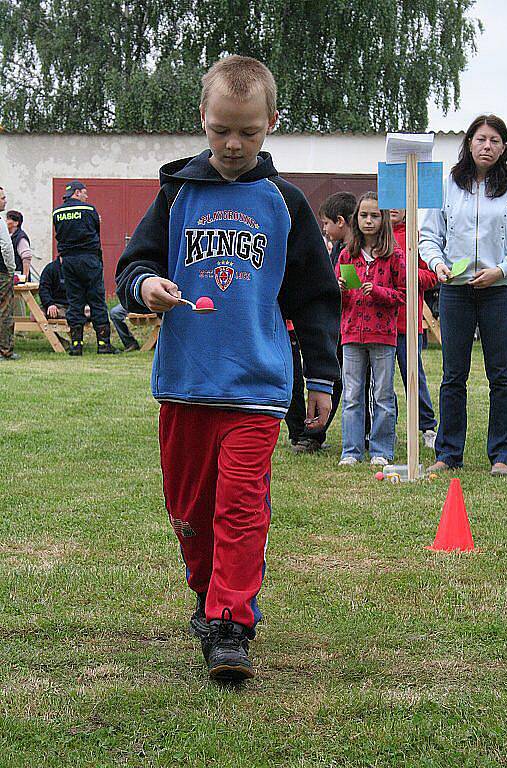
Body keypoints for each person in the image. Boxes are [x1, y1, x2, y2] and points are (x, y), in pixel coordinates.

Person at [116, 55, 340, 681]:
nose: (234, 144)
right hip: (185, 385)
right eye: (221, 131)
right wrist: (146, 288)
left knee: (241, 505)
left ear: (271, 122)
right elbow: (131, 268)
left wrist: (321, 378)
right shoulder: (176, 195)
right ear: (203, 121)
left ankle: (231, 624)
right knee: (191, 512)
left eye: (248, 130)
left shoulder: (285, 204)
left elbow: (315, 299)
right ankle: (206, 590)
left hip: (256, 389)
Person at [420, 114, 507, 476]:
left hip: (500, 290)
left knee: (502, 375)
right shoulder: (447, 186)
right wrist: (437, 264)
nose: (487, 146)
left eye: (494, 140)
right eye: (480, 139)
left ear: (503, 147)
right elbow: (429, 235)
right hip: (455, 291)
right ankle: (448, 452)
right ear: (468, 143)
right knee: (453, 374)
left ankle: (503, 454)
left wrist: (501, 271)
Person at [337, 192, 405, 466]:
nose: (368, 221)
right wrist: (340, 290)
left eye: (374, 215)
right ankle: (351, 451)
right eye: (364, 215)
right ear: (356, 219)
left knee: (383, 395)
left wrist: (378, 292)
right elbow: (341, 301)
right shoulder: (346, 255)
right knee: (352, 395)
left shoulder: (394, 256)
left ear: (383, 219)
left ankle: (381, 451)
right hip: (352, 333)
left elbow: (402, 295)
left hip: (383, 335)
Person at [287, 192, 356, 453]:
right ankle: (302, 431)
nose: (324, 230)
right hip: (330, 324)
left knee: (335, 381)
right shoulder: (335, 249)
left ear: (340, 221)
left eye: (326, 224)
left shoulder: (353, 251)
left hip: (346, 327)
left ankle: (314, 433)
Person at [52, 180, 119, 355]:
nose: (86, 196)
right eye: (84, 192)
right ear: (77, 192)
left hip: (68, 261)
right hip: (89, 260)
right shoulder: (89, 210)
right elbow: (96, 229)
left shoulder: (57, 212)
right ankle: (103, 345)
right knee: (96, 300)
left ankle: (76, 345)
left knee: (75, 301)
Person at [390, 208, 438, 449]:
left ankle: (427, 427)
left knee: (413, 376)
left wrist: (410, 274)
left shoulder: (416, 238)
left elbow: (432, 277)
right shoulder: (377, 237)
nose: (395, 208)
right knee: (382, 382)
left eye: (401, 202)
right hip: (380, 325)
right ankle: (387, 428)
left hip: (408, 322)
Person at [0, 187, 18, 360]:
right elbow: (6, 247)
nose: (5, 201)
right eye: (3, 198)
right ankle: (5, 350)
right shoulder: (0, 223)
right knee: (5, 311)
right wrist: (11, 269)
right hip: (1, 272)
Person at [6, 210, 32, 281]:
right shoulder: (8, 237)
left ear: (16, 223)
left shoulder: (20, 237)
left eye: (8, 219)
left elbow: (27, 257)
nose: (6, 221)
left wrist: (24, 278)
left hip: (18, 277)